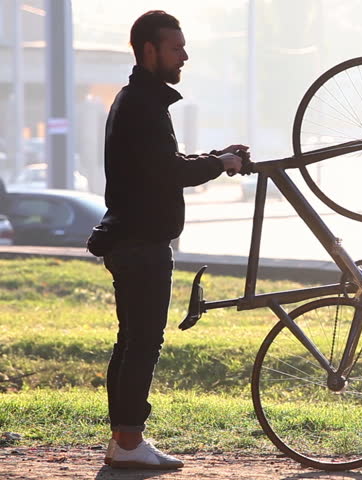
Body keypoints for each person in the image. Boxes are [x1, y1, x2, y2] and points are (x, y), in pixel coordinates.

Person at [95, 10, 246, 470]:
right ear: (149, 51)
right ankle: (128, 441)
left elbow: (167, 160)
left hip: (133, 240)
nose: (185, 55)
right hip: (141, 243)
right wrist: (220, 164)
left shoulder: (138, 100)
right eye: (176, 47)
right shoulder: (142, 104)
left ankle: (124, 438)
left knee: (132, 340)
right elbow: (169, 171)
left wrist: (217, 157)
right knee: (143, 342)